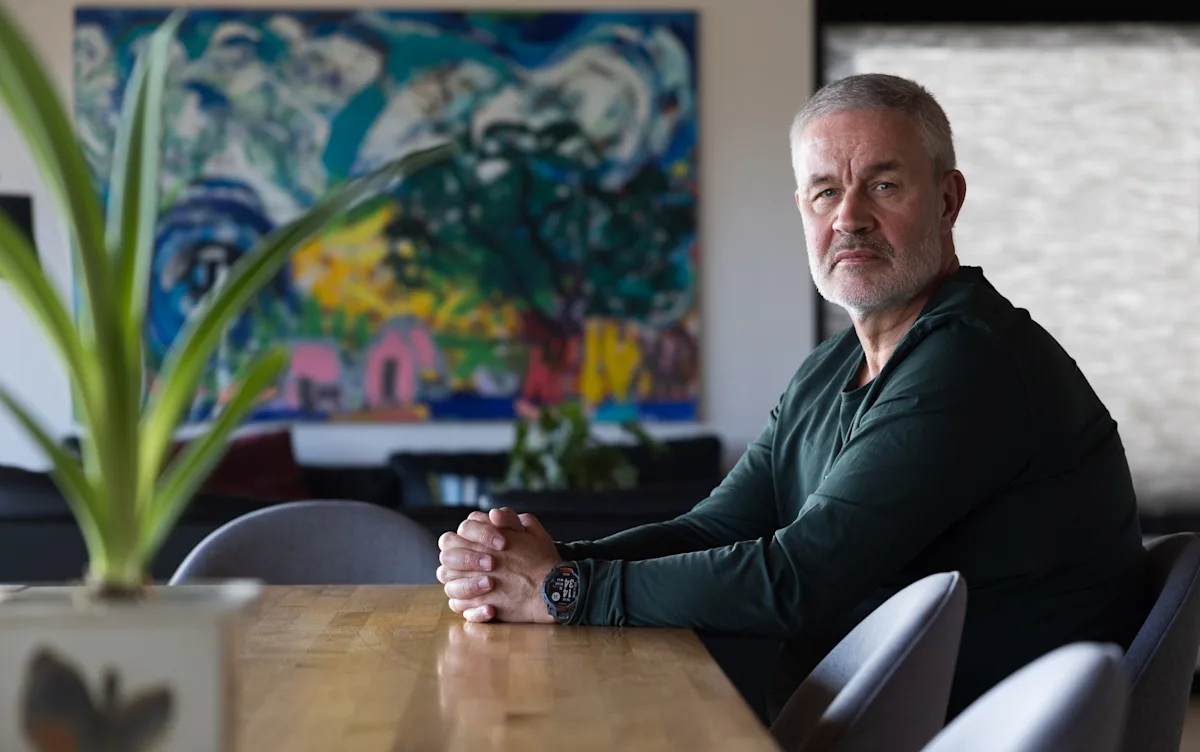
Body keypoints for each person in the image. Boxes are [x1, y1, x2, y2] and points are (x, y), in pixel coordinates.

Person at [434, 73, 1148, 720]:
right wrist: (536, 562)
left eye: (884, 185)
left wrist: (560, 589)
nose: (849, 217)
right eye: (825, 191)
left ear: (948, 200)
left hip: (974, 735)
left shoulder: (972, 360)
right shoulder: (833, 367)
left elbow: (798, 578)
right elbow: (714, 530)